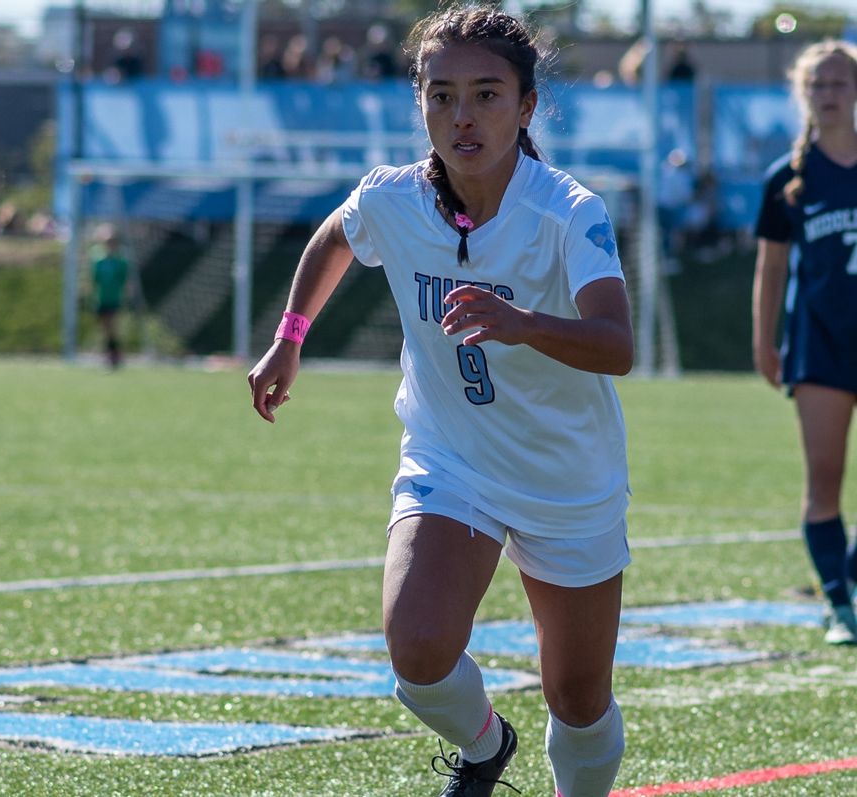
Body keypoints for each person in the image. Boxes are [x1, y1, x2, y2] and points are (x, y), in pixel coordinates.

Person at [247, 7, 633, 796]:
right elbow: (336, 237)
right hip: (450, 457)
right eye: (442, 94)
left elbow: (617, 344)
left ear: (526, 107)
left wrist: (523, 323)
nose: (463, 116)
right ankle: (486, 747)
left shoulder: (568, 211)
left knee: (577, 698)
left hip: (566, 476)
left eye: (487, 94)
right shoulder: (393, 198)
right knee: (418, 650)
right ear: (419, 102)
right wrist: (289, 336)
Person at [751, 40, 857, 646]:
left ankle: (847, 576)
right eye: (817, 84)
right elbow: (770, 270)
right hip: (818, 346)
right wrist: (763, 342)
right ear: (802, 94)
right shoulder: (787, 179)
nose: (828, 94)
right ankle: (839, 605)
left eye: (839, 82)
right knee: (825, 479)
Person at [90, 225, 131, 369]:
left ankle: (114, 356)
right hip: (101, 298)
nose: (110, 245)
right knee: (105, 329)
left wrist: (127, 297)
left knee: (112, 327)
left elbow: (125, 281)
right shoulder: (98, 260)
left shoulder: (121, 261)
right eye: (108, 242)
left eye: (113, 241)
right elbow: (94, 280)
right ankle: (111, 354)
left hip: (115, 299)